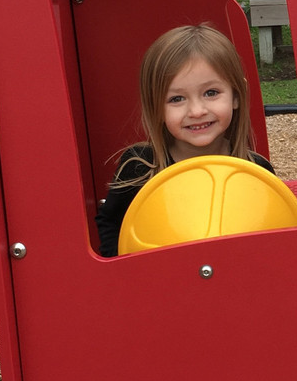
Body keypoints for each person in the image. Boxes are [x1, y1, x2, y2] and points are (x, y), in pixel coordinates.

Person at [95, 23, 274, 256]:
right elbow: (111, 224)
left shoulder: (255, 170)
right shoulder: (139, 167)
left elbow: (274, 230)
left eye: (211, 93)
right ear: (156, 108)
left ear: (236, 96)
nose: (197, 110)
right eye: (177, 98)